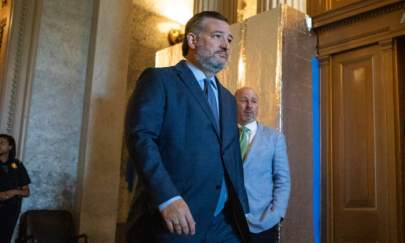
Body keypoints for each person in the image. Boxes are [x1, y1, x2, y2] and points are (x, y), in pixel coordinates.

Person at [125, 11, 250, 243]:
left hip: (224, 224)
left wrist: (242, 205)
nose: (226, 45)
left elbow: (230, 155)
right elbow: (140, 138)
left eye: (229, 39)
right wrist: (167, 198)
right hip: (175, 221)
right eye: (217, 36)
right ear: (192, 40)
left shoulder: (227, 98)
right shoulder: (160, 80)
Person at [235, 87, 291, 243]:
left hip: (263, 223)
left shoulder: (274, 138)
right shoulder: (224, 135)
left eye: (254, 101)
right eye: (243, 100)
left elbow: (283, 179)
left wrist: (277, 214)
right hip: (227, 222)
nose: (249, 106)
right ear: (234, 104)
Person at [0, 134, 31, 243]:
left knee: (5, 239)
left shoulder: (17, 165)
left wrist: (12, 192)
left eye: (2, 143)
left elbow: (26, 192)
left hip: (11, 211)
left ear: (10, 147)